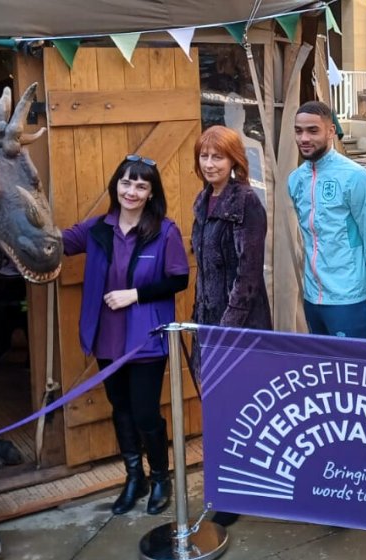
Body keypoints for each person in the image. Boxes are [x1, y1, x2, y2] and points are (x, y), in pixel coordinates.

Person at [62, 156, 189, 517]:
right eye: (125, 183)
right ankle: (135, 477)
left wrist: (135, 295)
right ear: (116, 185)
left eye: (140, 185)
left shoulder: (164, 231)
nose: (131, 191)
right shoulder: (97, 229)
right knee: (121, 409)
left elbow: (179, 279)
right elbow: (56, 243)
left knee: (146, 412)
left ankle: (161, 477)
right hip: (108, 336)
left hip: (145, 335)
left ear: (151, 194)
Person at [190, 125, 272, 527]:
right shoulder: (201, 201)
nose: (210, 164)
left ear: (234, 160)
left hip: (238, 327)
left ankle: (237, 491)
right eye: (204, 156)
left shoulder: (246, 203)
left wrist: (226, 332)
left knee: (239, 413)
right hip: (205, 320)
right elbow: (202, 270)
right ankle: (224, 483)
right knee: (215, 411)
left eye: (217, 157)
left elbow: (248, 275)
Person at [288, 100, 366, 338]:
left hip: (348, 298)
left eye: (313, 130)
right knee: (323, 372)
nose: (304, 138)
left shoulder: (354, 176)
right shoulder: (296, 180)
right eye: (298, 131)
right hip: (312, 296)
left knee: (352, 371)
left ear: (331, 131)